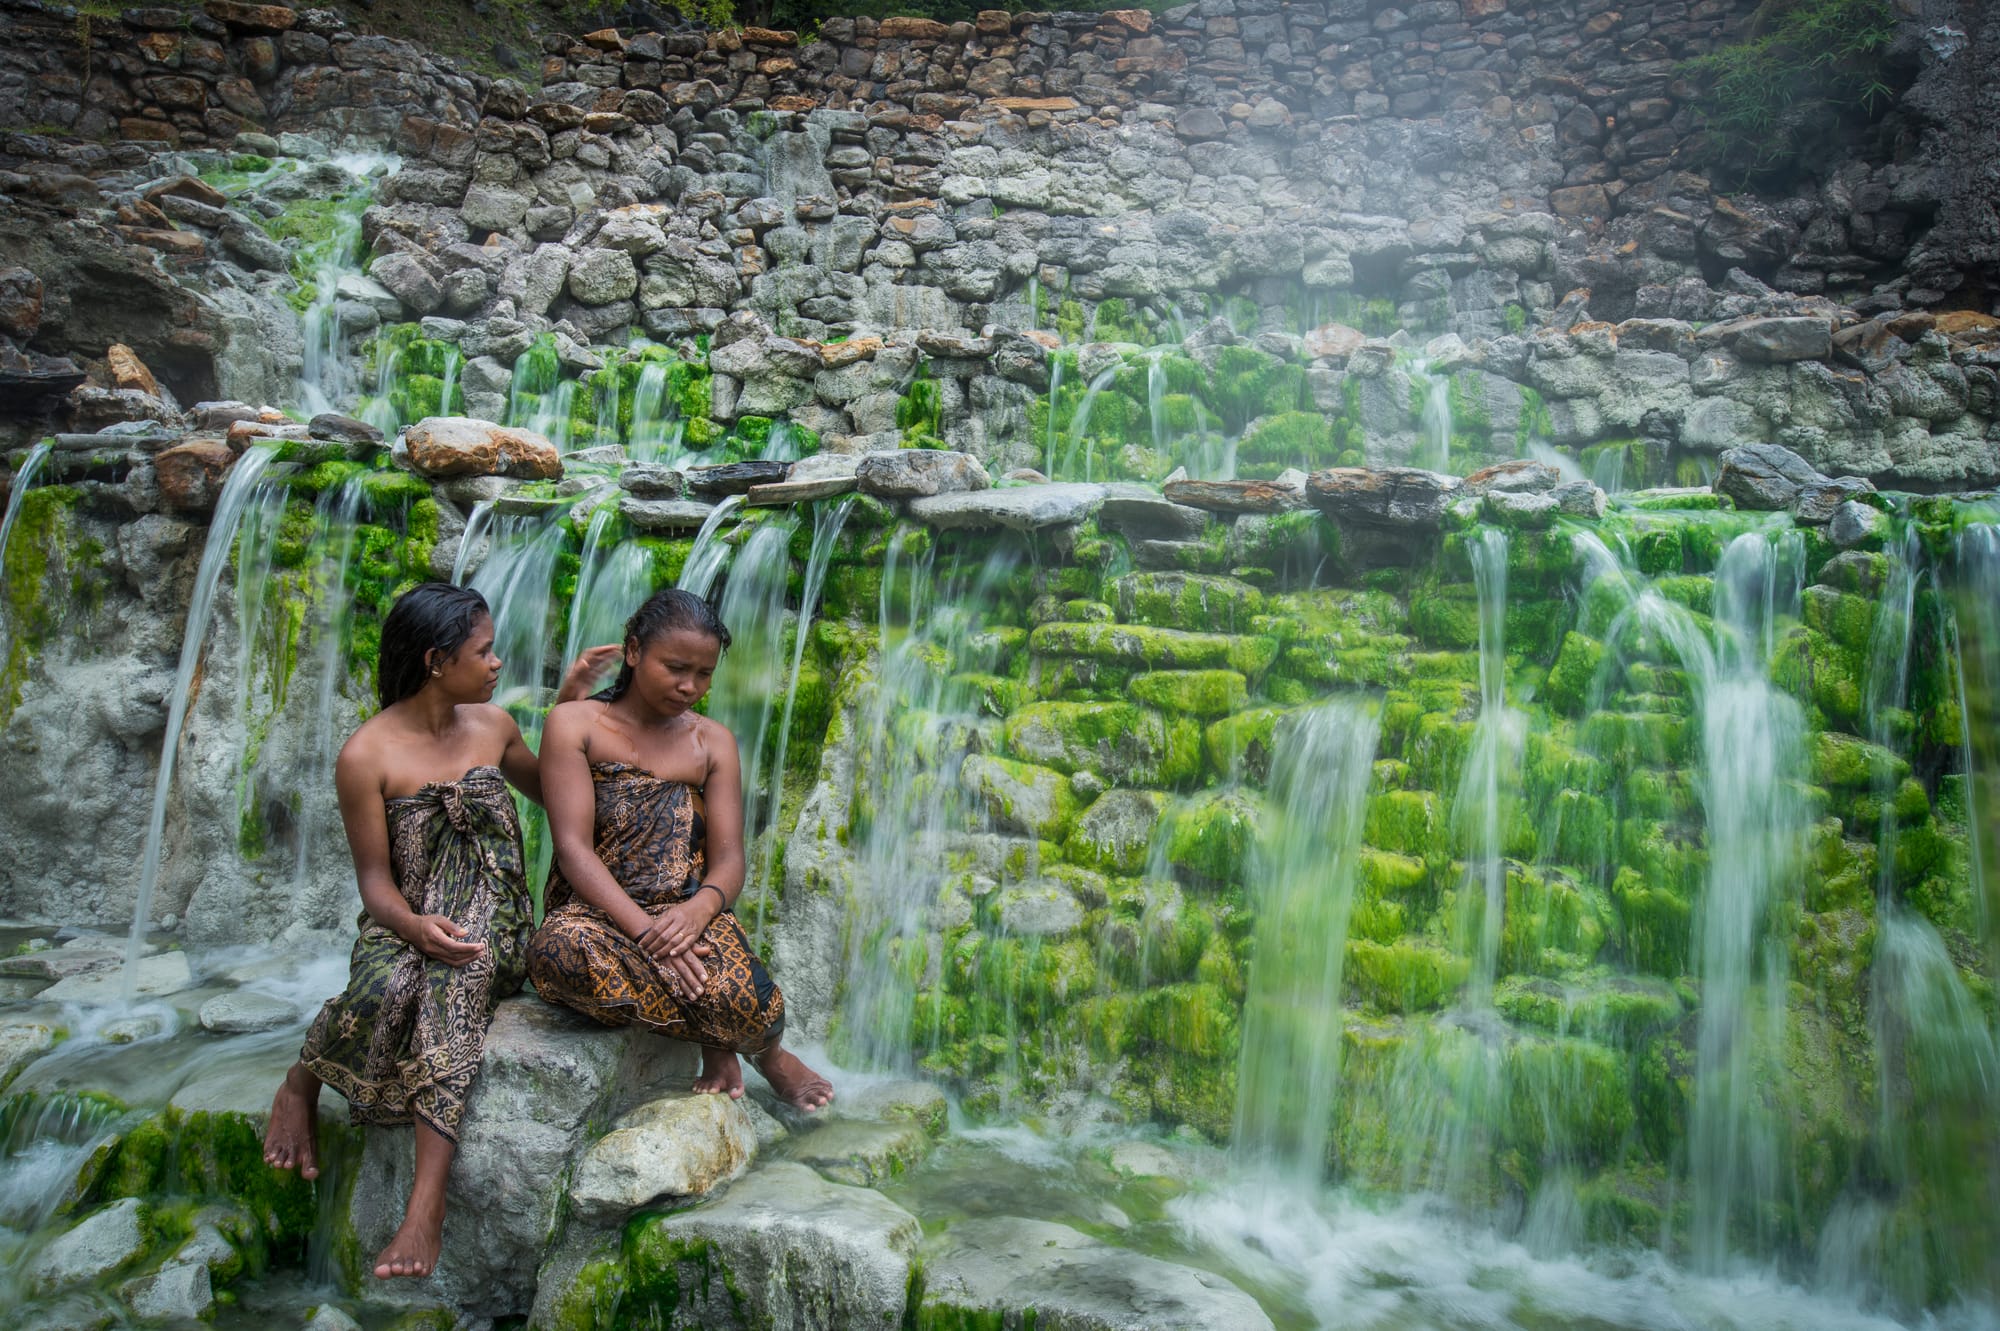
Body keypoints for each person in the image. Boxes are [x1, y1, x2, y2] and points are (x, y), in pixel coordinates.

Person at [261, 582, 617, 1280]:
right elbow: (374, 883)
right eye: (483, 652)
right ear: (434, 660)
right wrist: (415, 927)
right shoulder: (366, 754)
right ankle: (298, 1085)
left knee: (457, 983)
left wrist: (572, 700)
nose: (495, 664)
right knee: (383, 984)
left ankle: (425, 1205)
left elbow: (558, 793)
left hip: (496, 913)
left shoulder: (494, 725)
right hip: (407, 915)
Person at [526, 588, 834, 1112]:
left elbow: (730, 861)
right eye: (674, 667)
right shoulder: (575, 725)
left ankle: (756, 1046)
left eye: (705, 673)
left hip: (688, 914)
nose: (690, 686)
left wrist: (697, 912)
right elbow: (573, 849)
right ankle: (732, 1042)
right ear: (633, 651)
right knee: (558, 955)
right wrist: (649, 936)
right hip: (596, 915)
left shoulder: (712, 742)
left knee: (751, 1001)